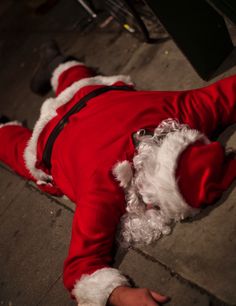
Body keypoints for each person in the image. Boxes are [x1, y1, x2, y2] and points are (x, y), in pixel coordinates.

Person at [0, 41, 236, 306]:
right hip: (49, 142)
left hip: (91, 95)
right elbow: (81, 266)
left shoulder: (181, 111)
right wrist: (117, 294)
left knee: (77, 83)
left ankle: (56, 62)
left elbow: (228, 93)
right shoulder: (102, 188)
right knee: (18, 151)